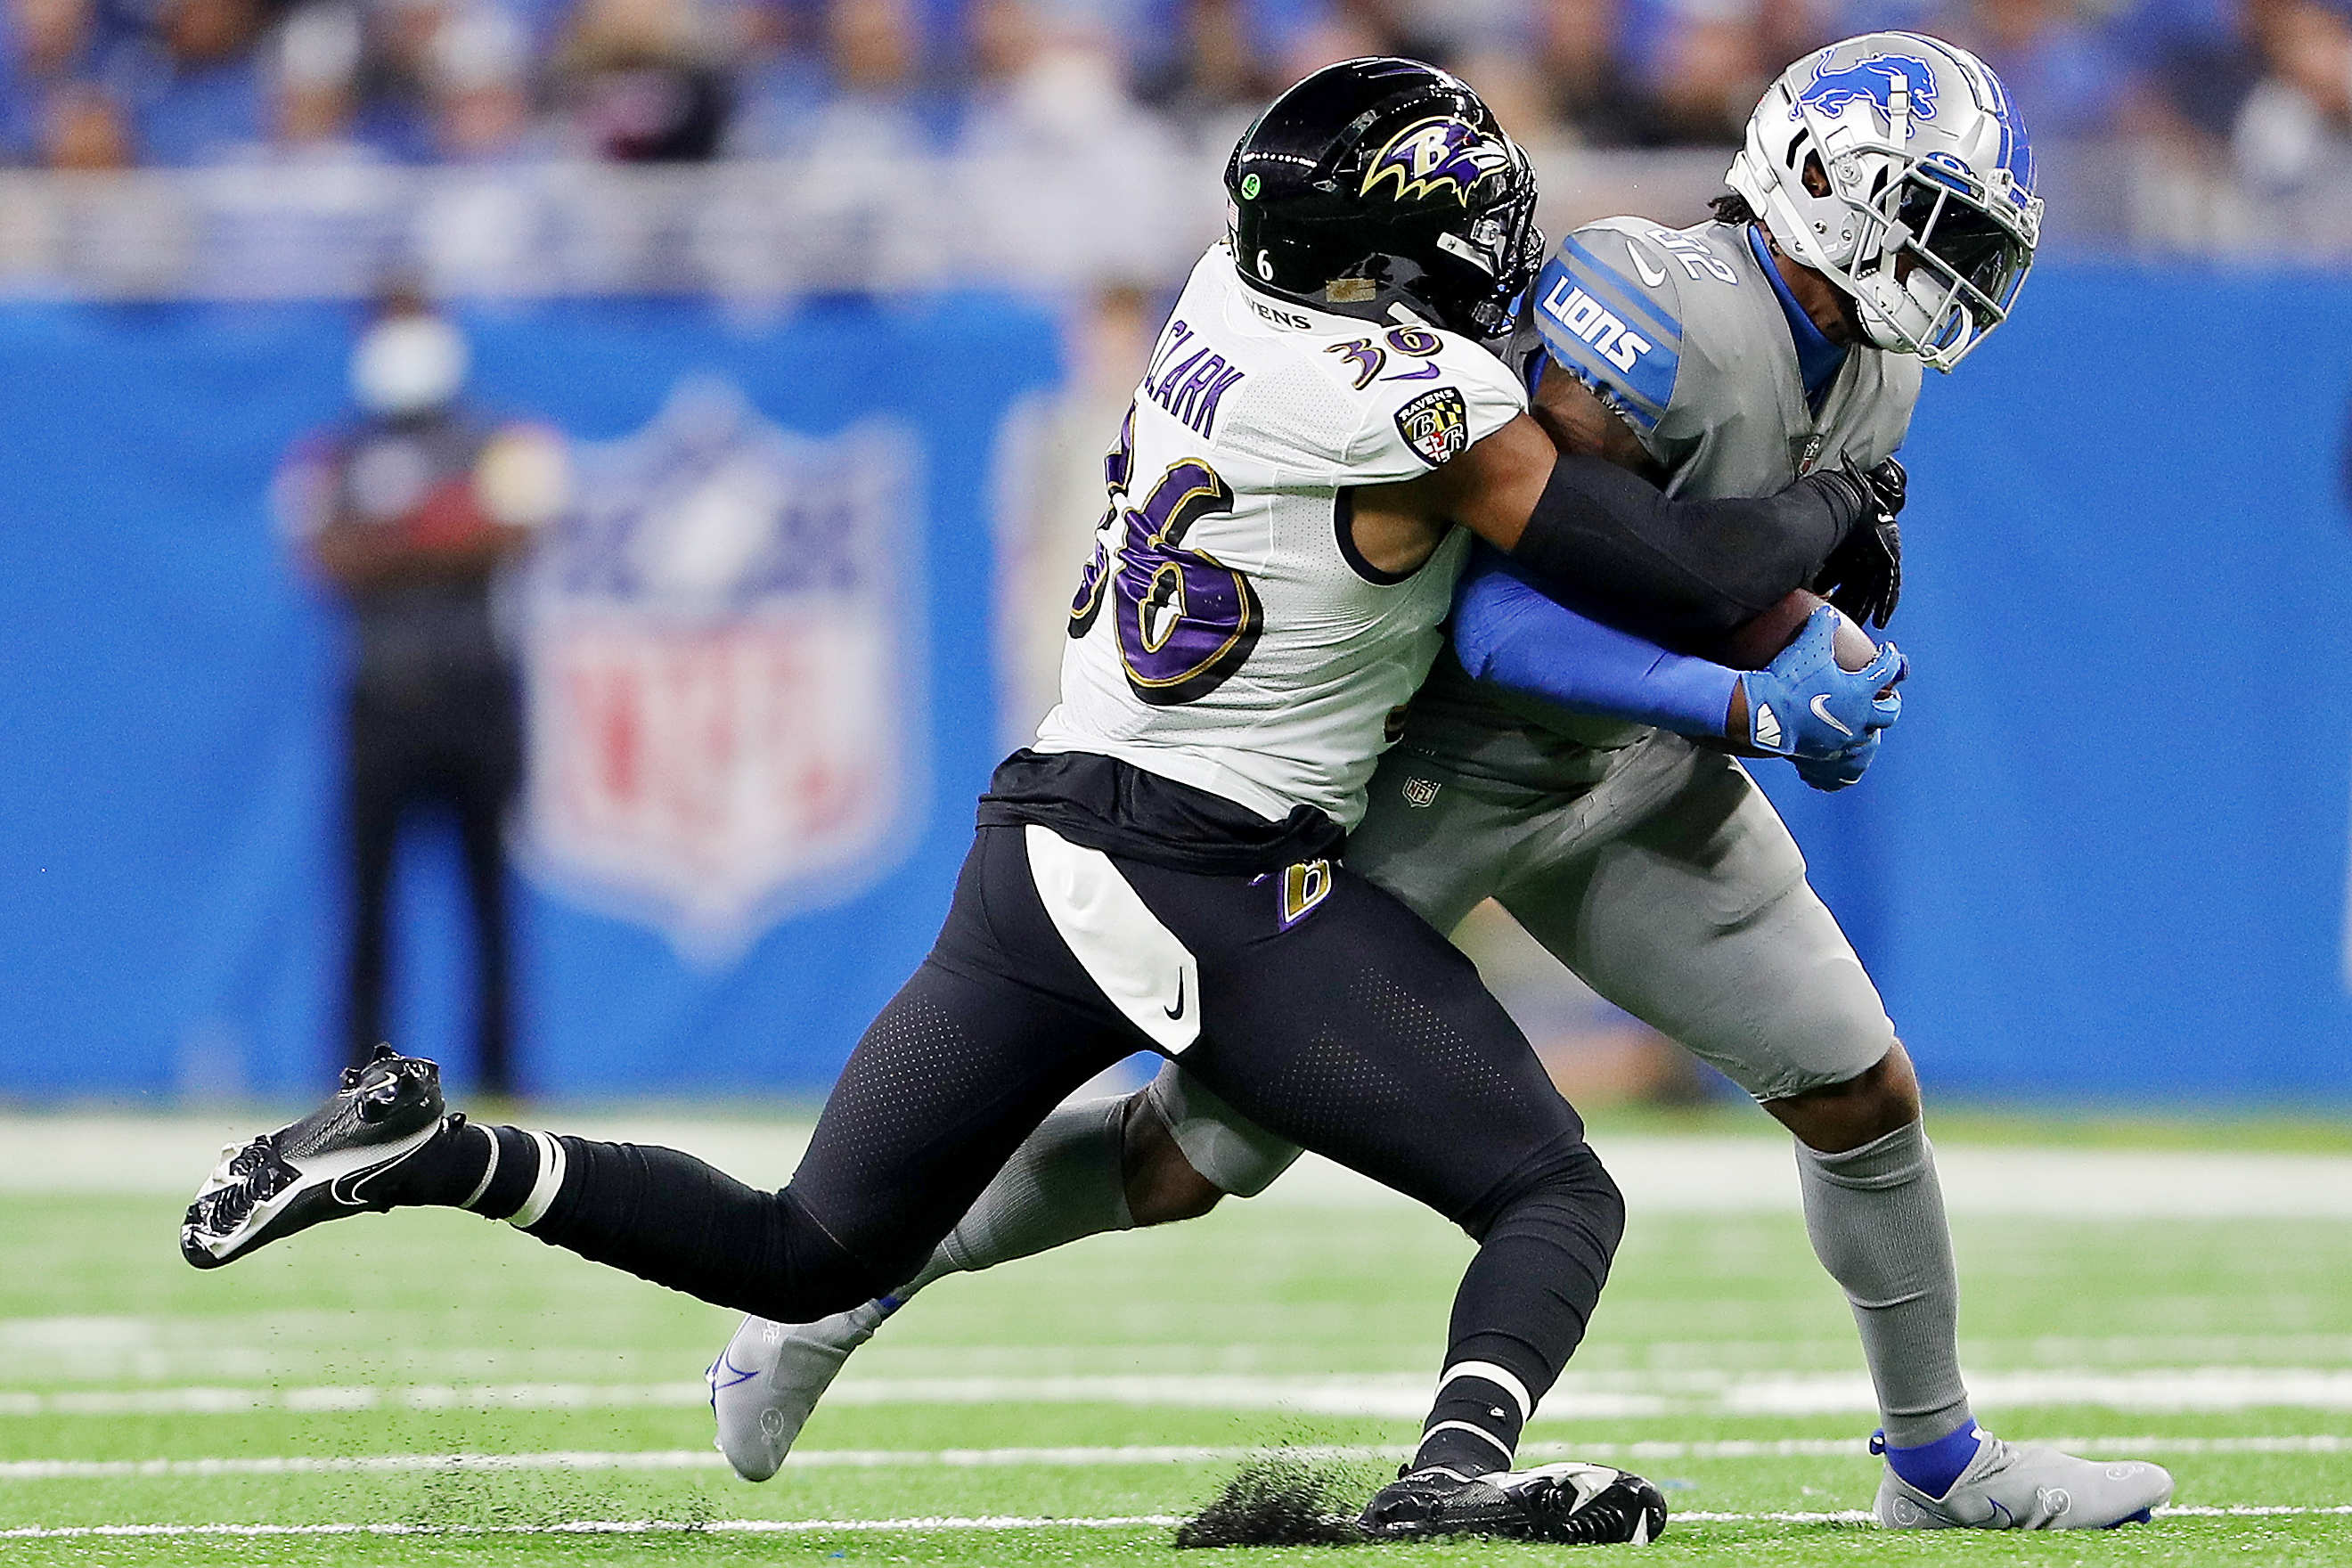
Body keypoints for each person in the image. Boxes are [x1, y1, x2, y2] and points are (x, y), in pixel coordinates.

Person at [187, 58, 1892, 1543]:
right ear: (1385, 271)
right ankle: (1454, 1471)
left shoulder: (1225, 292)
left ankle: (439, 1152)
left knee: (806, 1247)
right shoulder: (1407, 401)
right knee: (1553, 1193)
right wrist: (1831, 502)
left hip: (1043, 835)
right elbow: (1656, 562)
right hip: (1216, 874)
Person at [706, 35, 2177, 1534]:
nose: (1955, 265)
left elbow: (1749, 572)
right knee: (1187, 1159)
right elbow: (1505, 608)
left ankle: (1935, 1463)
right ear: (1818, 182)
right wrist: (1742, 693)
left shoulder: (1874, 364)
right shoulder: (1649, 304)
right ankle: (853, 1287)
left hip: (1631, 771)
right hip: (1443, 769)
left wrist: (1822, 643)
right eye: (1932, 218)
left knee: (1859, 1088)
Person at [279, 286, 564, 1096]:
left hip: (478, 692)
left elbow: (517, 530)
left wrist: (397, 534)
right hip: (382, 699)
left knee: (490, 904)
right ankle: (359, 1088)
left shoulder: (502, 437)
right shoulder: (332, 451)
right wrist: (443, 527)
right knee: (368, 906)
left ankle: (507, 1083)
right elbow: (328, 558)